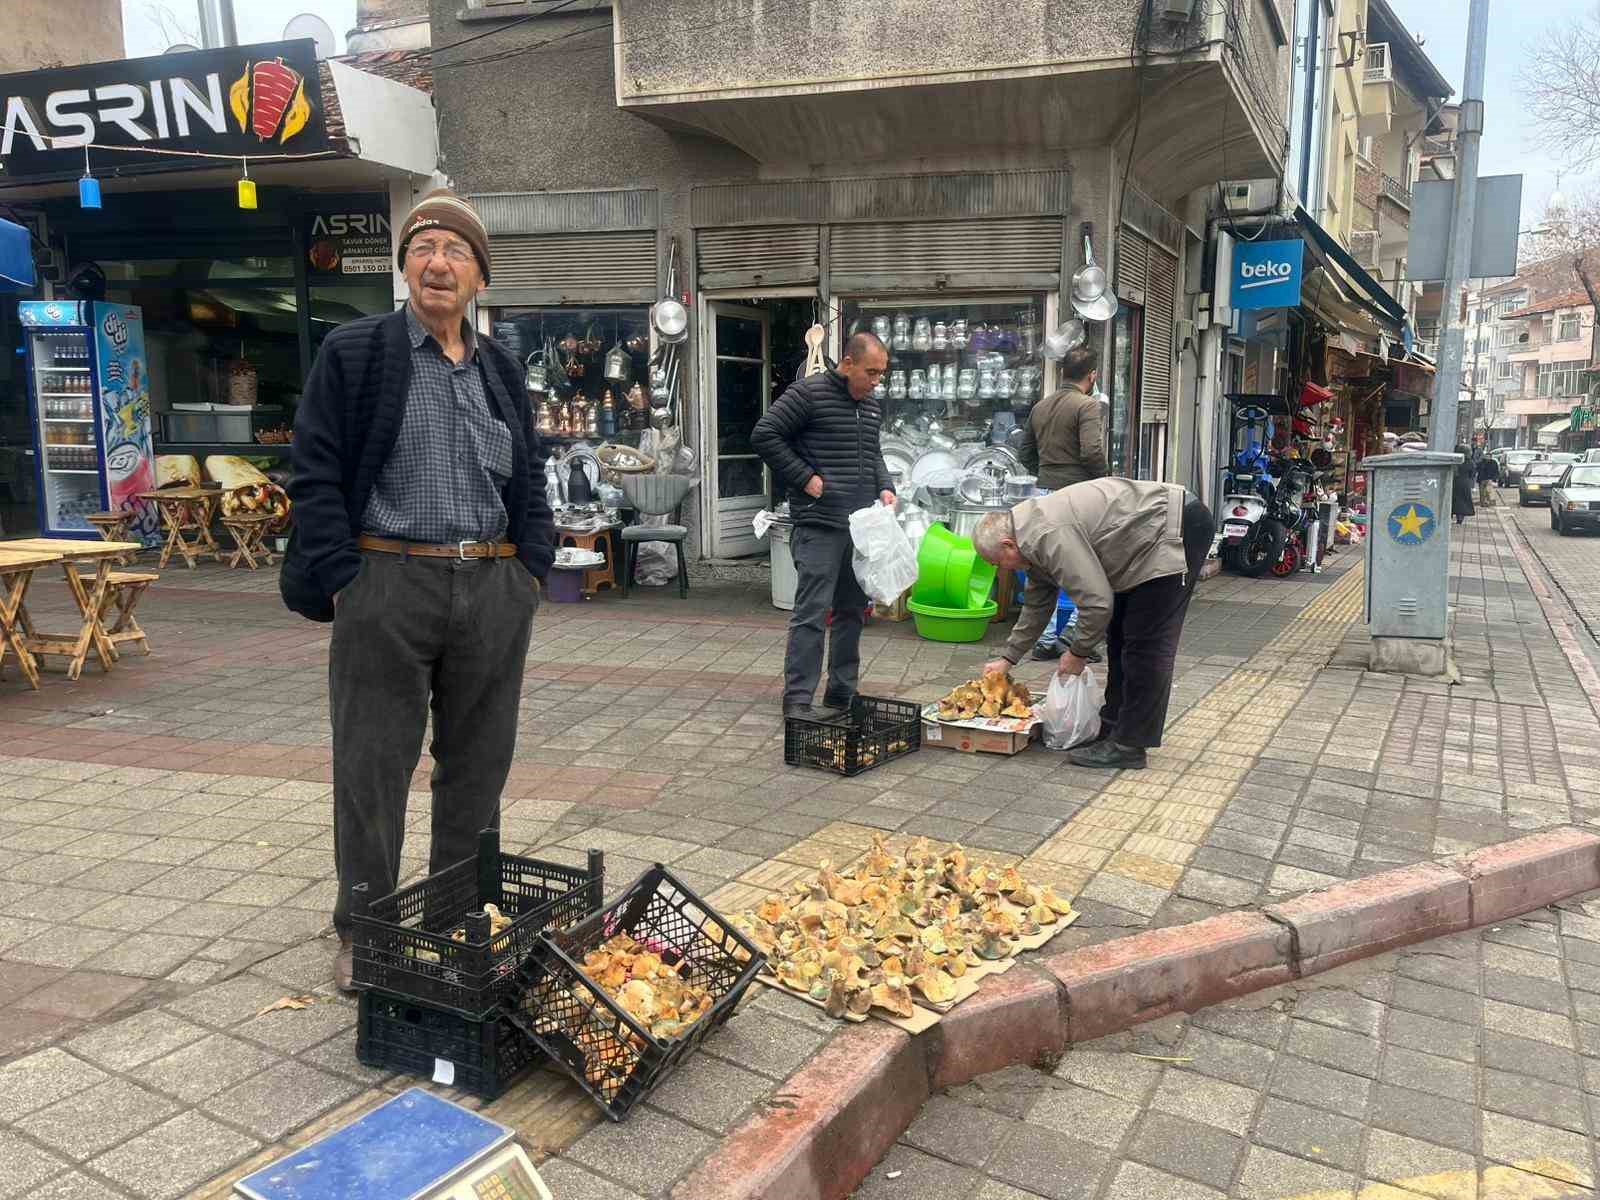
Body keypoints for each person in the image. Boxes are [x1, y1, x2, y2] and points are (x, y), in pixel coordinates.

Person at [281, 190, 556, 990]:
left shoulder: (502, 368)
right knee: (372, 764)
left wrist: (528, 570)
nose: (439, 262)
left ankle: (455, 920)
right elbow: (315, 468)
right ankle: (364, 930)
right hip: (387, 580)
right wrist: (343, 578)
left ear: (480, 277)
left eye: (457, 251)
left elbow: (530, 475)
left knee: (478, 766)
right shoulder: (357, 350)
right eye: (424, 247)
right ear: (405, 267)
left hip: (491, 584)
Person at [974, 478, 1212, 770]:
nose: (1001, 570)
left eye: (998, 562)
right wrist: (1007, 659)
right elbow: (1037, 605)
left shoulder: (1046, 534)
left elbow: (1097, 603)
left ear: (1008, 544)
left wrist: (1078, 652)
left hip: (1173, 530)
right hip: (1139, 544)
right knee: (1119, 638)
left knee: (1145, 646)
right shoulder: (1029, 539)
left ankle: (1130, 745)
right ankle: (1112, 728)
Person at [753, 331, 896, 718]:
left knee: (852, 611)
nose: (876, 381)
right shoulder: (809, 394)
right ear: (847, 363)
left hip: (858, 526)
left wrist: (885, 486)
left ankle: (841, 692)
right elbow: (765, 434)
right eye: (871, 372)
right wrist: (804, 478)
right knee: (812, 613)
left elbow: (873, 453)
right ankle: (798, 699)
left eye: (882, 373)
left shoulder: (870, 406)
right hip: (818, 524)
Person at [1017, 344, 1108, 661]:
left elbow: (1024, 453)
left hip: (1044, 496)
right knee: (1087, 570)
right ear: (1092, 375)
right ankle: (1074, 638)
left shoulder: (1040, 407)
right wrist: (1104, 483)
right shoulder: (1087, 405)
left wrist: (1045, 475)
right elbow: (1091, 452)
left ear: (1063, 372)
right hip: (1077, 498)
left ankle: (1043, 642)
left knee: (1043, 573)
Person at [1452, 443, 1476, 525]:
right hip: (1465, 483)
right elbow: (1472, 474)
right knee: (1463, 501)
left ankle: (1450, 515)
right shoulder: (1470, 462)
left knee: (1453, 499)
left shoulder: (1455, 460)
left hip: (1454, 482)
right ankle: (1460, 518)